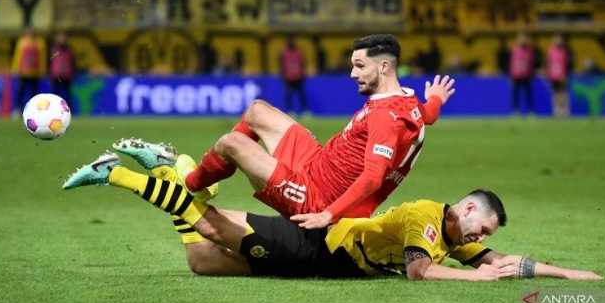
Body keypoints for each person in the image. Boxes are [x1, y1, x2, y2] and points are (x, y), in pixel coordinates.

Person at [62, 151, 601, 281]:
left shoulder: (456, 236)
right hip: (320, 244)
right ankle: (117, 174)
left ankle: (178, 166)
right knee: (208, 226)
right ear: (465, 210)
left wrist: (567, 274)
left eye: (482, 237)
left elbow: (501, 260)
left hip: (330, 265)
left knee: (202, 260)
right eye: (480, 228)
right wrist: (479, 281)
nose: (479, 241)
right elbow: (419, 271)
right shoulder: (424, 219)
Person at [114, 34, 456, 230]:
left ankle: (189, 186)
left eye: (359, 66)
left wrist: (328, 214)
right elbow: (426, 116)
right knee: (257, 111)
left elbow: (371, 177)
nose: (352, 74)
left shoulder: (384, 117)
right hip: (318, 164)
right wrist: (436, 100)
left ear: (384, 67)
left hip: (316, 197)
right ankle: (209, 178)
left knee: (231, 143)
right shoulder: (407, 99)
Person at [11, 27, 47, 115]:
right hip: (23, 73)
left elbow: (42, 58)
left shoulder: (40, 43)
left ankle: (33, 110)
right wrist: (15, 68)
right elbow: (18, 56)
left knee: (34, 93)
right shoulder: (22, 42)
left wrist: (42, 70)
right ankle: (17, 109)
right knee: (20, 92)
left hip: (35, 73)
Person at [279, 34, 309, 115]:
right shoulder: (283, 52)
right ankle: (290, 110)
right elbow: (281, 64)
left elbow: (303, 63)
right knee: (289, 95)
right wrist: (284, 75)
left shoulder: (298, 51)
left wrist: (302, 73)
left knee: (301, 94)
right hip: (288, 77)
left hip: (298, 77)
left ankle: (305, 111)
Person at [546, 33, 573, 118]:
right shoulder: (550, 51)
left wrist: (565, 75)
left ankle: (565, 111)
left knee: (564, 94)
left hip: (563, 76)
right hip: (553, 76)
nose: (557, 41)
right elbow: (548, 64)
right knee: (556, 94)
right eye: (556, 39)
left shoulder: (566, 51)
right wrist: (548, 74)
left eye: (559, 39)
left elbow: (568, 64)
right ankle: (557, 112)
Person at [509, 32, 535, 115]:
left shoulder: (529, 50)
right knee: (516, 94)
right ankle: (515, 110)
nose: (522, 40)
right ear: (518, 40)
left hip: (527, 75)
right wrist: (512, 74)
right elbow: (512, 63)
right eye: (521, 38)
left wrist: (531, 73)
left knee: (528, 94)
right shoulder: (515, 50)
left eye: (524, 39)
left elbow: (531, 63)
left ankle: (530, 110)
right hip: (517, 75)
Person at [49, 31, 76, 107]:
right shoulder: (53, 49)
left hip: (67, 76)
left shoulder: (69, 49)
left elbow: (73, 62)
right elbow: (49, 61)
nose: (62, 39)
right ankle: (53, 109)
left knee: (67, 95)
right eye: (60, 37)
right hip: (56, 76)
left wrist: (73, 73)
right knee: (55, 95)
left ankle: (68, 110)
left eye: (63, 37)